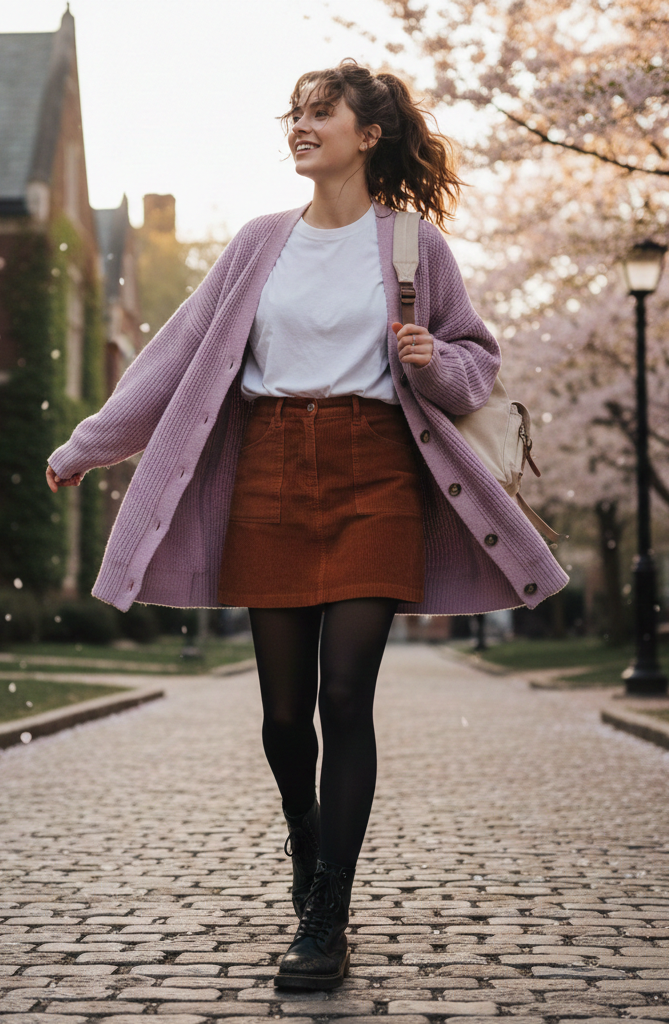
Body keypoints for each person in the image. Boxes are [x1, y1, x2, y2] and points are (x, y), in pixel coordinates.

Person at [46, 59, 567, 991]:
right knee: (284, 716)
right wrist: (90, 444)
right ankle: (307, 836)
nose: (301, 124)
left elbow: (475, 363)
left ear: (368, 135)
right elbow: (174, 355)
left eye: (321, 113)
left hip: (377, 474)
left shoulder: (413, 246)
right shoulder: (259, 243)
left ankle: (327, 912)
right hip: (271, 473)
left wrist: (432, 357)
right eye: (295, 112)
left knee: (344, 698)